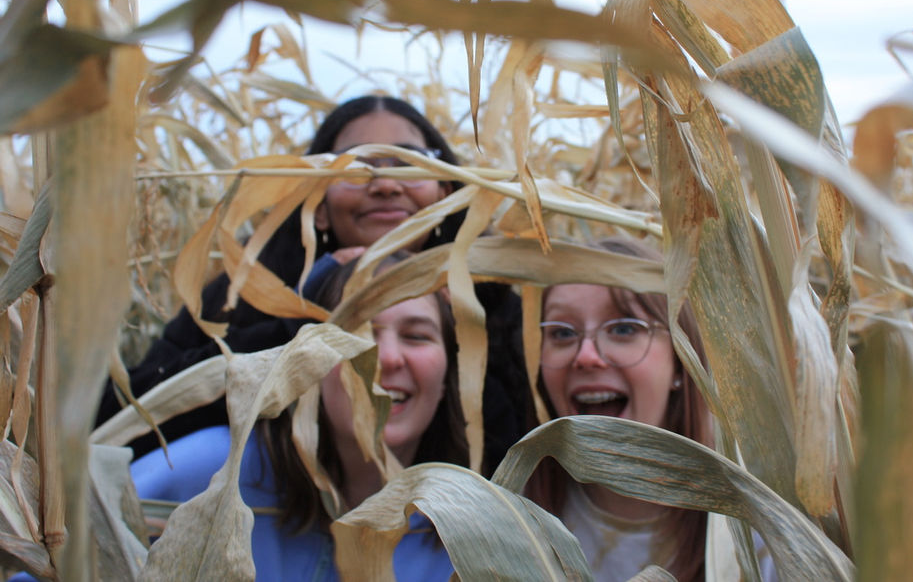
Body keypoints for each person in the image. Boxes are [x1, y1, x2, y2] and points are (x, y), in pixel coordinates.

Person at [98, 96, 528, 471]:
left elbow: (520, 450)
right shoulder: (244, 291)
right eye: (356, 167)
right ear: (316, 207)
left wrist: (450, 326)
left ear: (444, 192)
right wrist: (307, 316)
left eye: (410, 163)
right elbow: (128, 417)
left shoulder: (494, 301)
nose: (385, 184)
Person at [131, 254, 466, 580]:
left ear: (447, 380)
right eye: (358, 333)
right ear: (309, 366)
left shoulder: (465, 542)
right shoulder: (206, 473)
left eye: (417, 336)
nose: (388, 358)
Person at [529, 236, 712, 582]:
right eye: (562, 333)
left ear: (680, 362)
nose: (585, 356)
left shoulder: (758, 533)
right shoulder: (508, 517)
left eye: (625, 328)